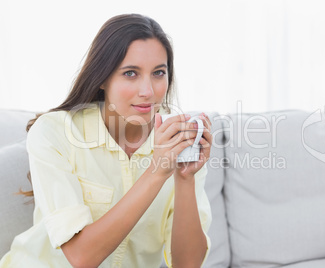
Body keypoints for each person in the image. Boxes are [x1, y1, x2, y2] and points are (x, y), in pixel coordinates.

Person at [0, 13, 212, 268]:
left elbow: (187, 264)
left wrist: (185, 178)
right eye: (131, 73)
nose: (148, 91)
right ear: (102, 77)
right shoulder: (55, 132)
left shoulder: (176, 141)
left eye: (158, 73)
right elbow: (81, 257)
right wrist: (156, 173)